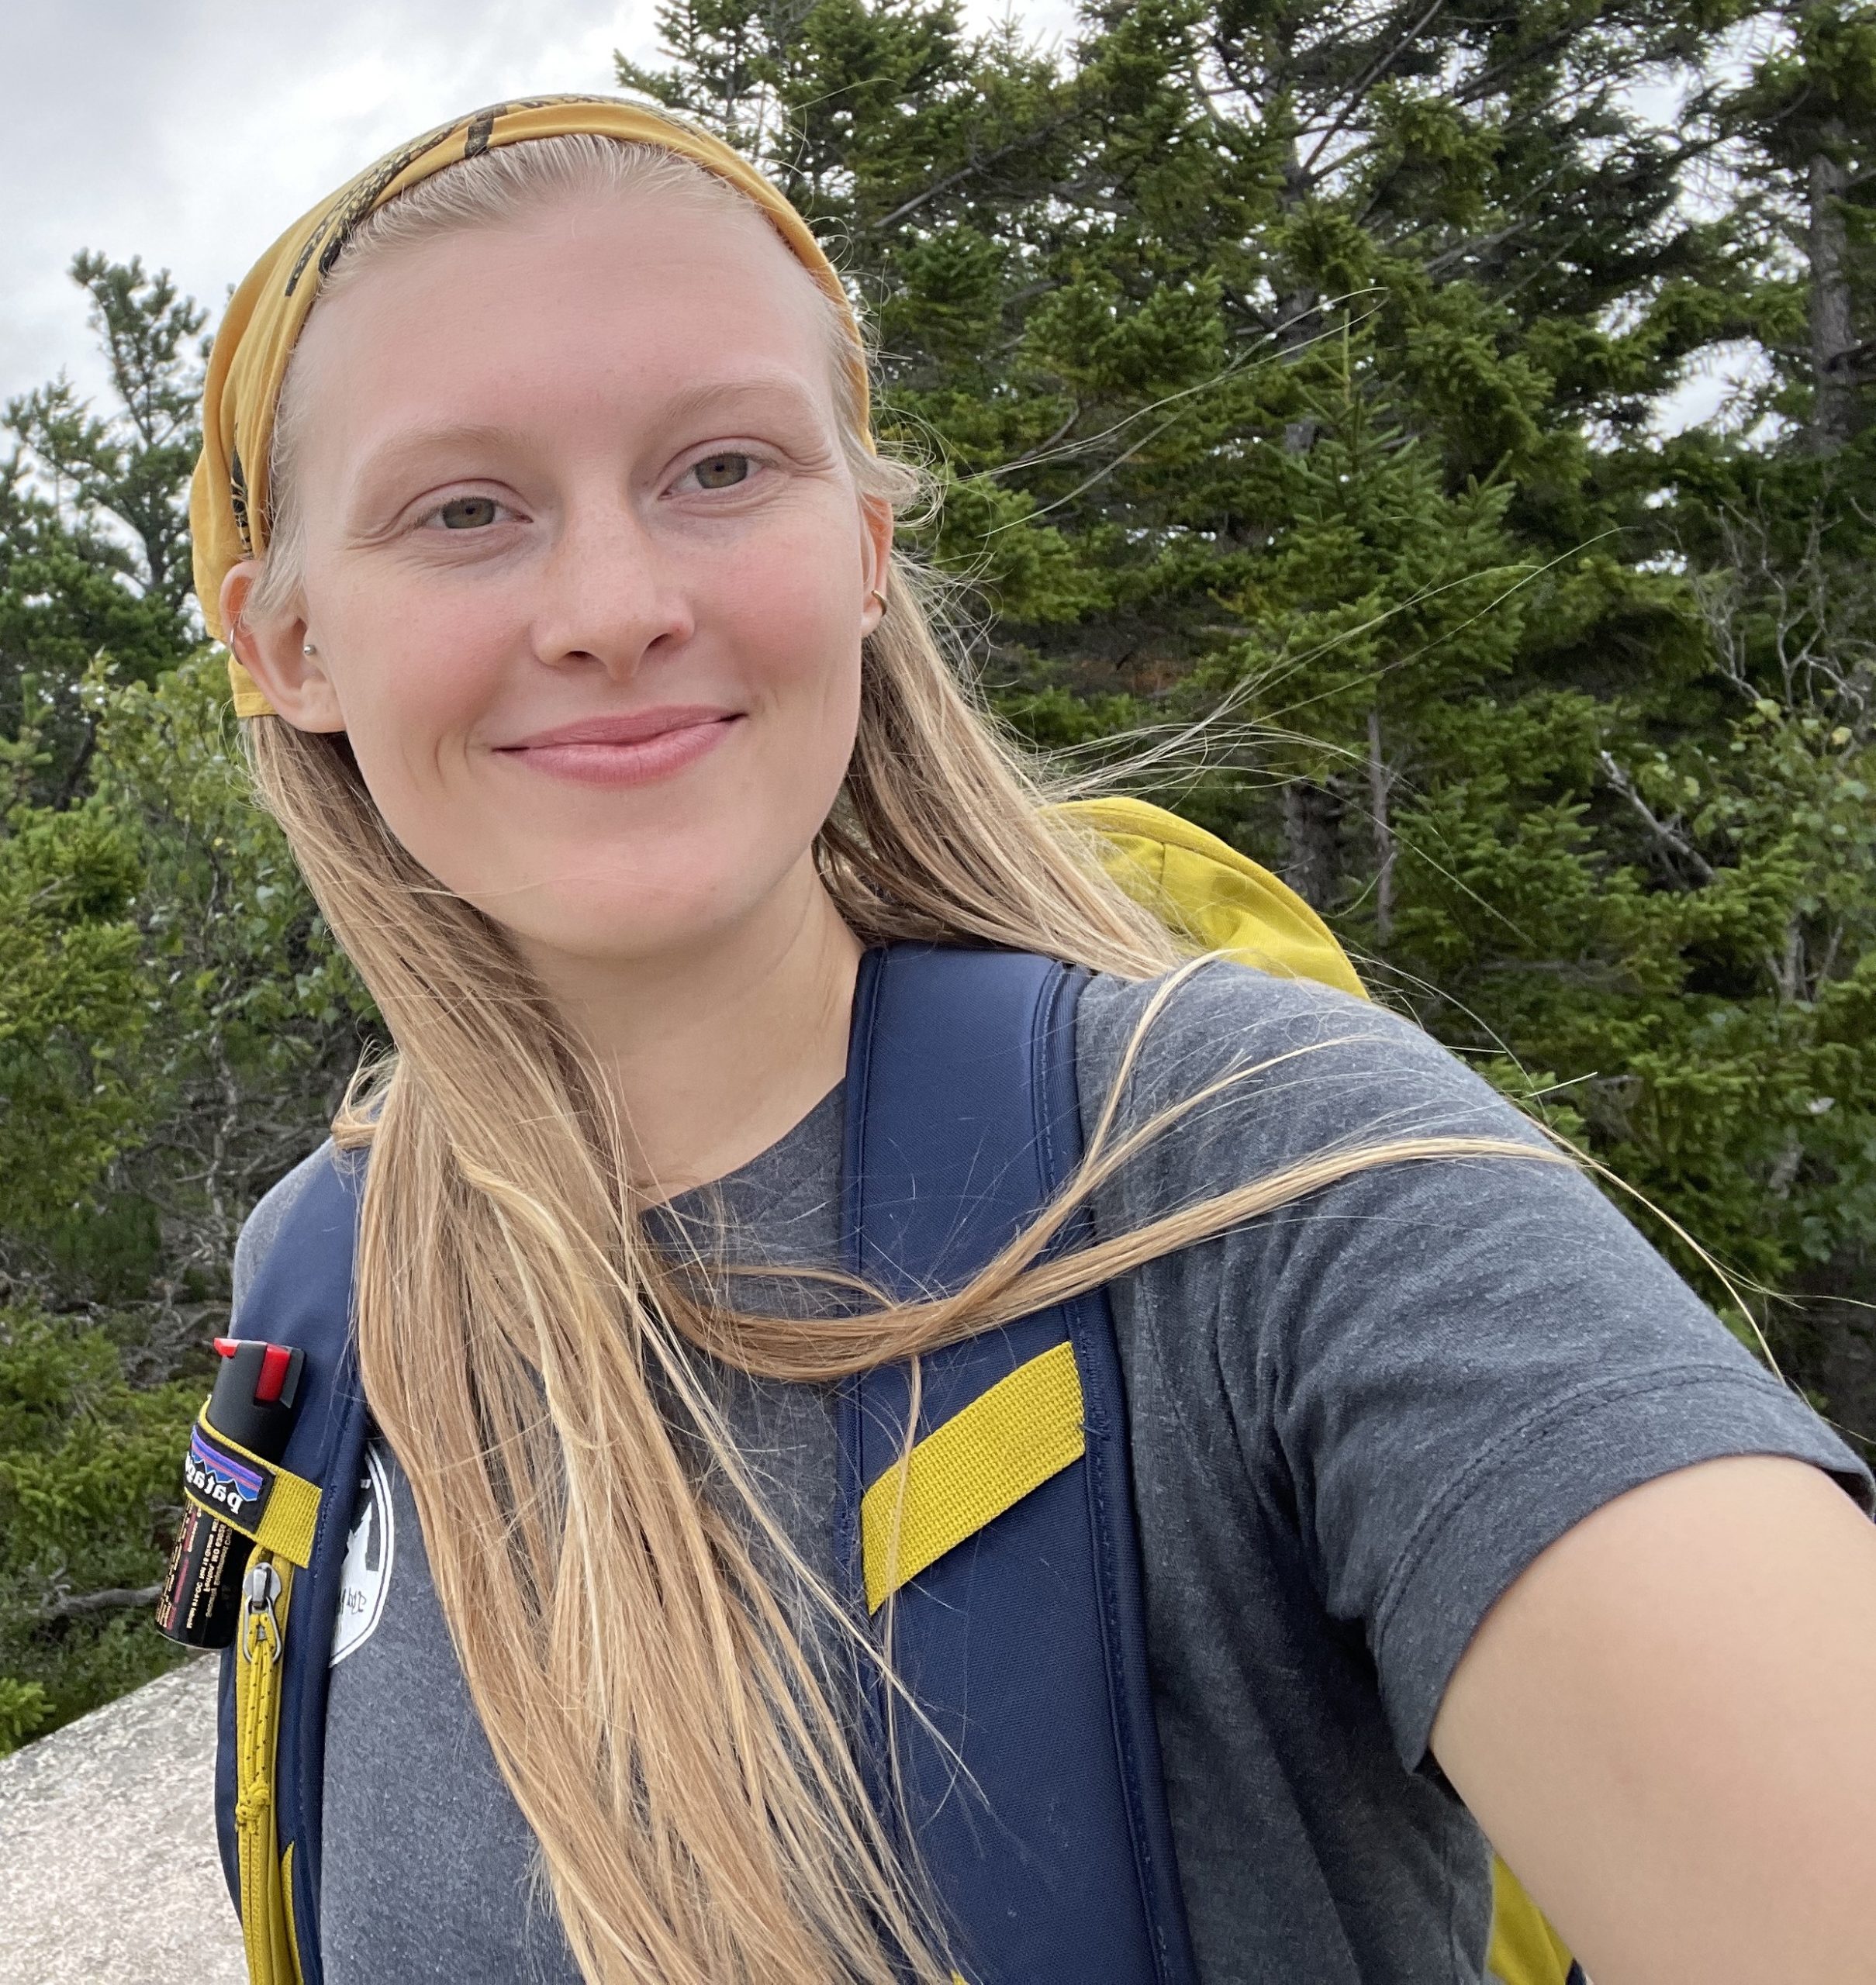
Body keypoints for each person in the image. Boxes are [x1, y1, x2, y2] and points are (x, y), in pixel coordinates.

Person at [196, 97, 1876, 1985]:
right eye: (465, 510)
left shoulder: (1253, 1183)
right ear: (290, 647)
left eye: (722, 466)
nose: (615, 607)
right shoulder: (324, 1284)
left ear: (863, 553)